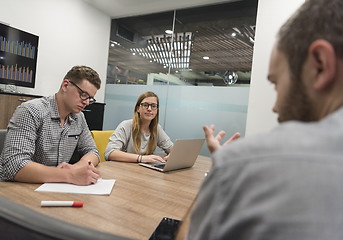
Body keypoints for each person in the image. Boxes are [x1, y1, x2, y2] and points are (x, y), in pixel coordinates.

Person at [178, 0, 343, 239]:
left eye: (277, 84)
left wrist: (222, 169)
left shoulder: (245, 166)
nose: (275, 107)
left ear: (320, 65)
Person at [0, 65, 101, 186]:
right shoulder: (31, 111)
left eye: (90, 98)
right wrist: (70, 175)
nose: (86, 102)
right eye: (83, 94)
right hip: (11, 189)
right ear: (65, 85)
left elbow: (92, 151)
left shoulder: (79, 117)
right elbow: (15, 165)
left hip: (51, 185)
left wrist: (76, 168)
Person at [105, 91, 173, 163]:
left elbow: (172, 148)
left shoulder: (157, 128)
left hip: (143, 170)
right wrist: (141, 158)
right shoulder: (126, 125)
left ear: (157, 110)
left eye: (153, 106)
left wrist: (172, 154)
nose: (149, 109)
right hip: (123, 169)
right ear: (137, 109)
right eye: (145, 105)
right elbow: (110, 153)